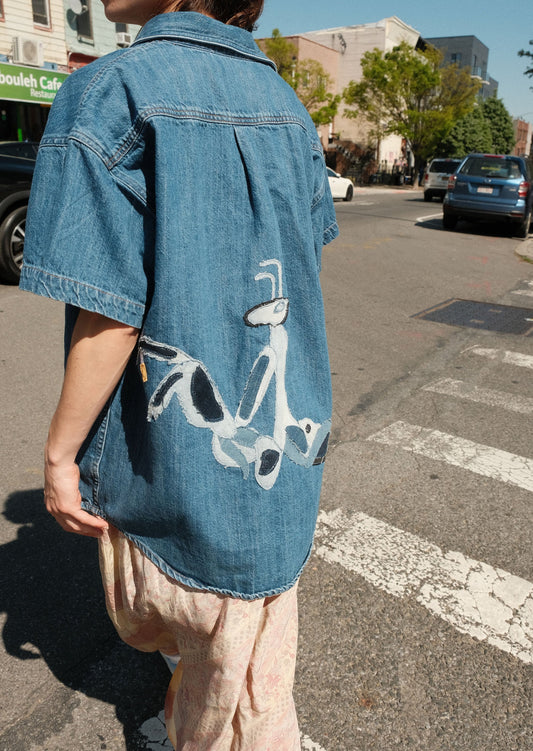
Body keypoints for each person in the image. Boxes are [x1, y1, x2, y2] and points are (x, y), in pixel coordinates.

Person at [19, 0, 338, 747]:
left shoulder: (111, 89)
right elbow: (295, 268)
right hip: (279, 474)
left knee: (213, 651)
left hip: (178, 469)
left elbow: (111, 313)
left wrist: (60, 455)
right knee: (248, 659)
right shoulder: (287, 105)